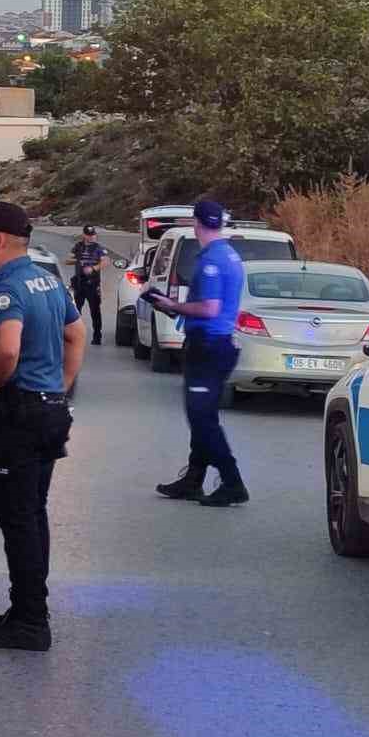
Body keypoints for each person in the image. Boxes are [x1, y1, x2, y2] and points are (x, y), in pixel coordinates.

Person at [0, 200, 86, 652]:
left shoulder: (9, 287)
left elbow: (7, 351)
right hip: (50, 409)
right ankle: (27, 609)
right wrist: (61, 386)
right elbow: (76, 335)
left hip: (16, 414)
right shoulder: (49, 281)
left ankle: (32, 621)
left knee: (16, 518)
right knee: (33, 514)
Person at [148, 199, 249, 507]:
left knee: (202, 418)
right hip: (218, 343)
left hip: (207, 345)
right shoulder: (231, 255)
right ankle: (193, 479)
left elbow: (209, 308)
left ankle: (232, 481)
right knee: (203, 415)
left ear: (195, 223)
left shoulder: (210, 261)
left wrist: (171, 305)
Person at [67, 224, 108, 346]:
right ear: (84, 235)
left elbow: (106, 261)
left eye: (93, 235)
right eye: (89, 235)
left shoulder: (99, 248)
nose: (91, 237)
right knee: (75, 310)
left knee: (95, 310)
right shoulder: (78, 247)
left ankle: (97, 335)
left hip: (93, 283)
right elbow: (68, 260)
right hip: (79, 283)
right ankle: (74, 335)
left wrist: (93, 268)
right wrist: (78, 260)